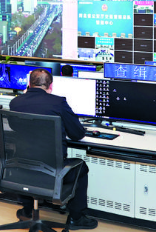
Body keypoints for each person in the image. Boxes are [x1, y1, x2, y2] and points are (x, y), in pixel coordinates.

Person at [9, 68, 97, 230]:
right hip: (51, 172)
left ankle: (27, 210)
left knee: (29, 161)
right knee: (81, 167)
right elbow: (77, 134)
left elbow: (14, 127)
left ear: (29, 84)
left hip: (22, 169)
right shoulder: (58, 103)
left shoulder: (15, 102)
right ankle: (76, 217)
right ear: (50, 86)